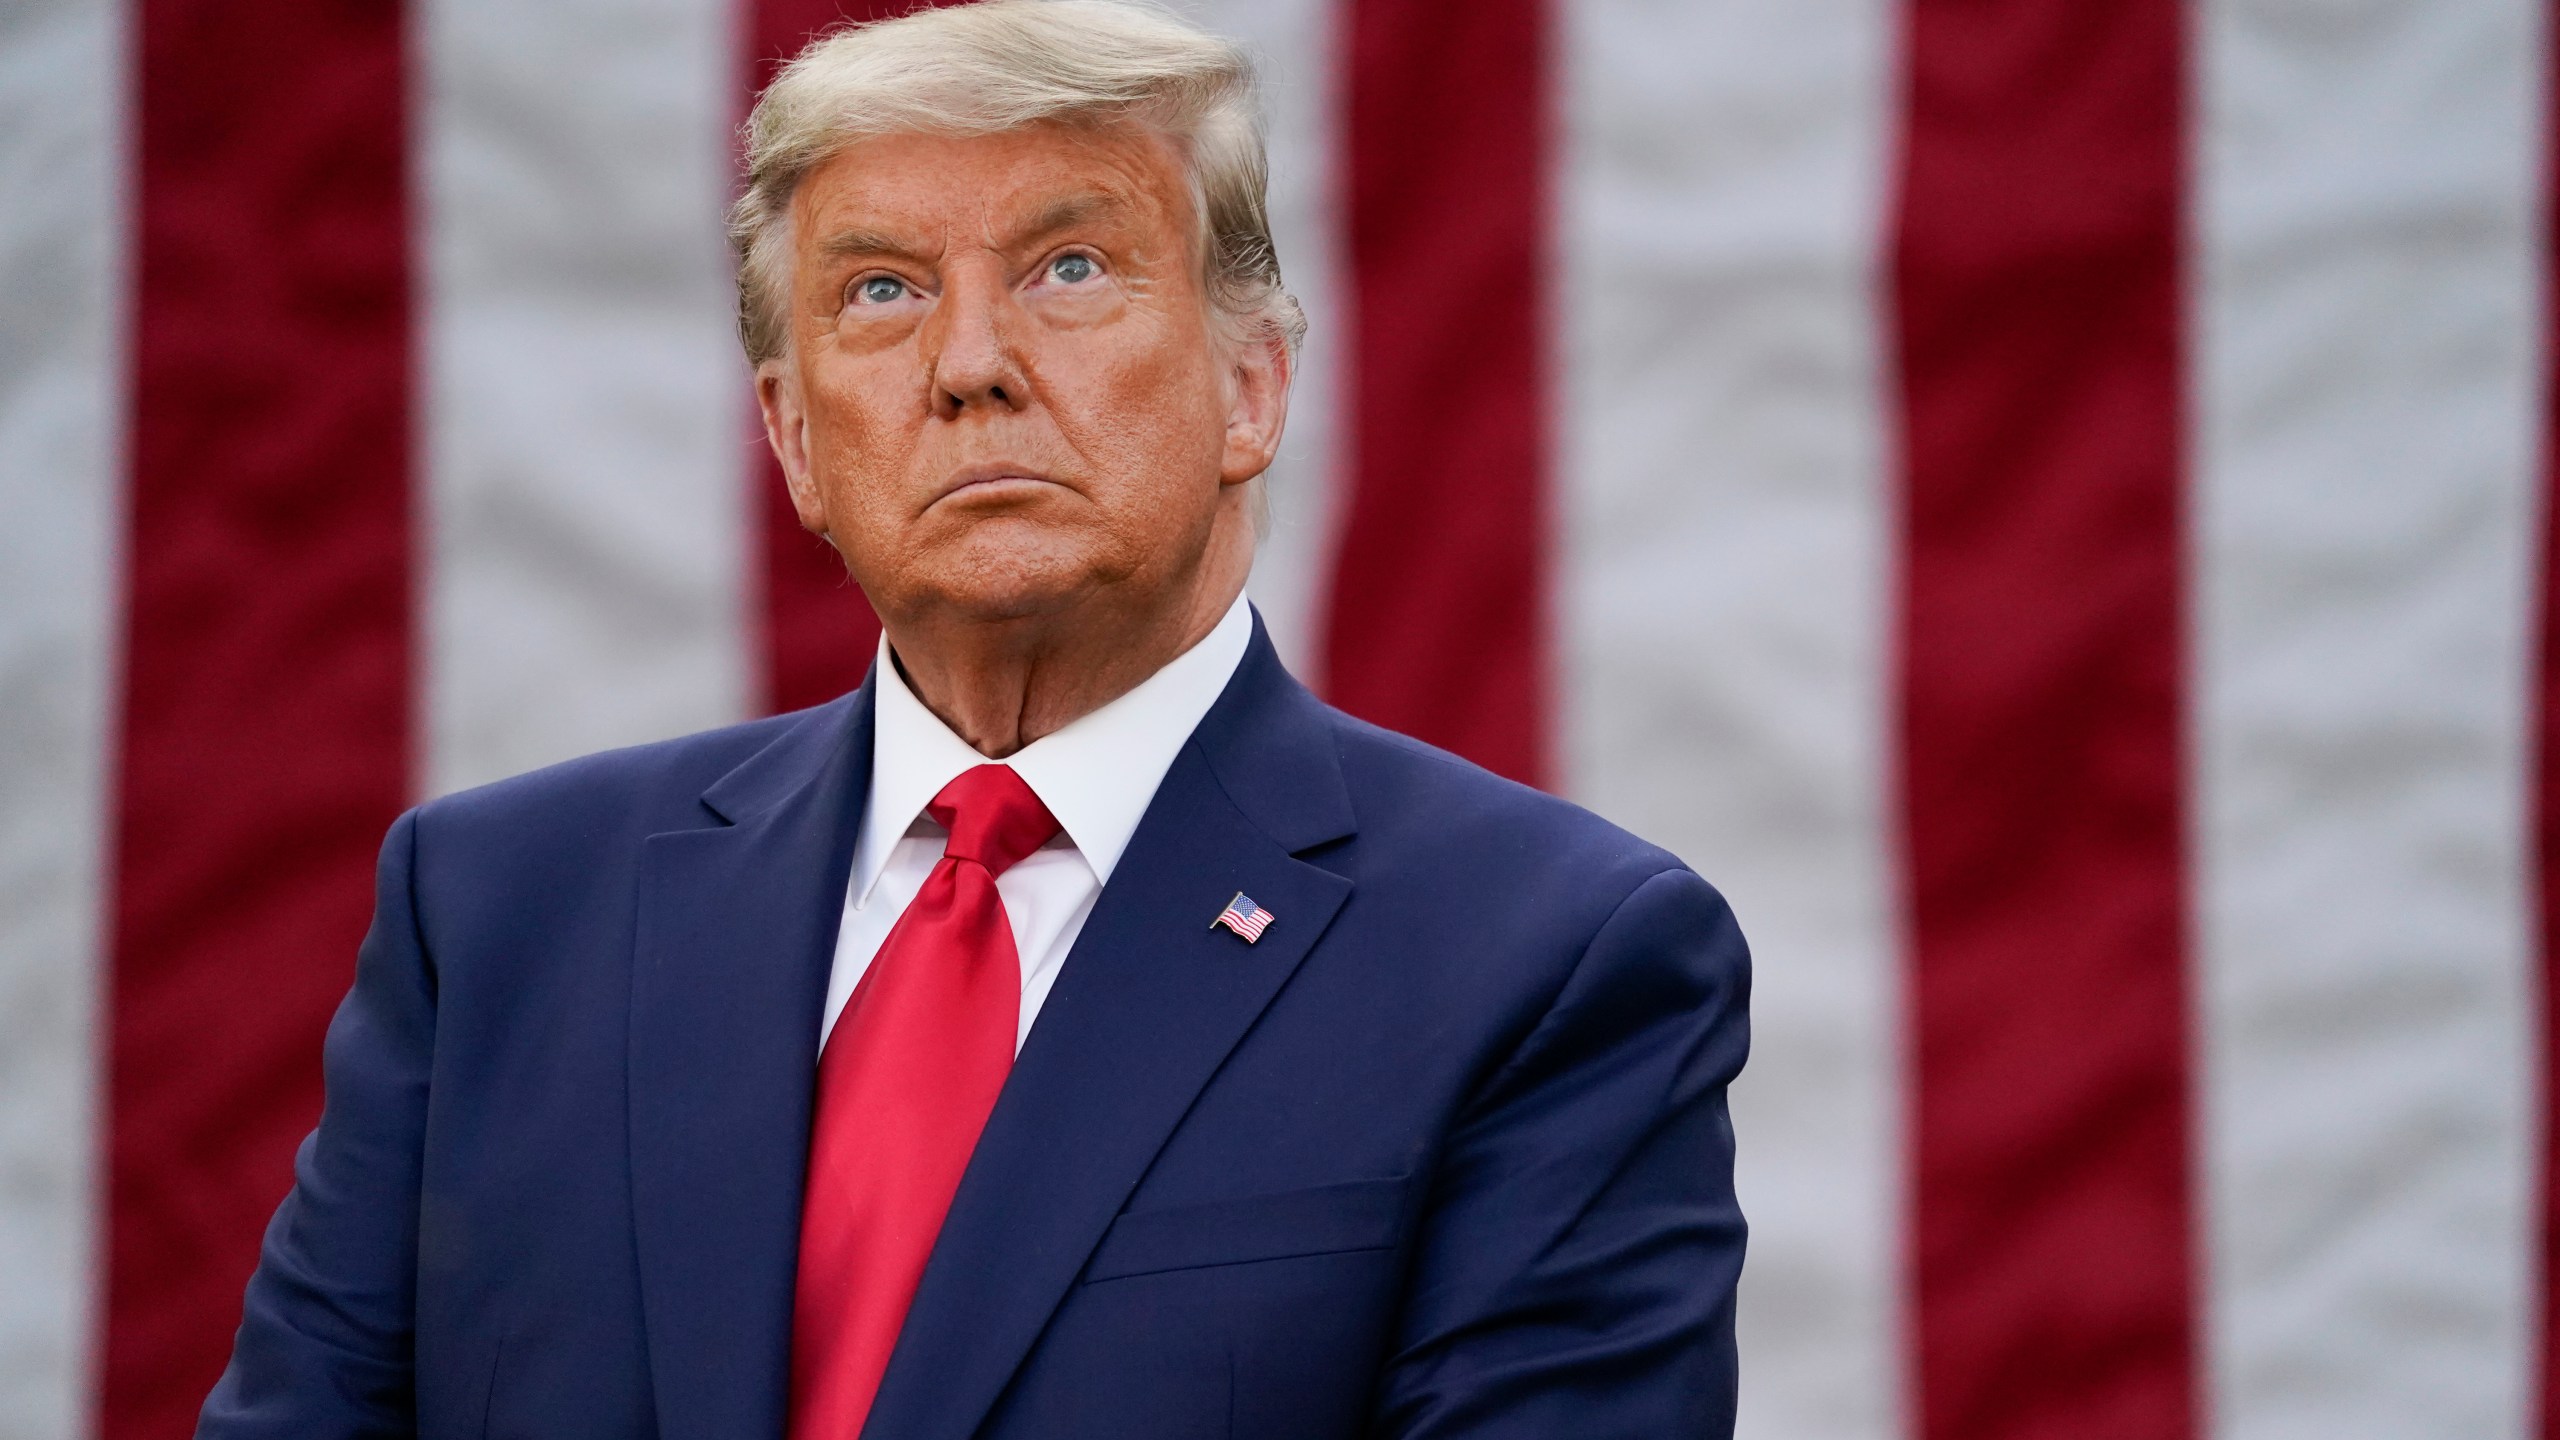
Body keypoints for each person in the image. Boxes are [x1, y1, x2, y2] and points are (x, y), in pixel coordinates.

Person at [197, 3, 1749, 1435]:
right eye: (882, 290)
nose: (970, 365)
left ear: (1252, 389)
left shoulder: (1551, 962)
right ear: (797, 440)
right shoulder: (496, 915)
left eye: (1070, 270)